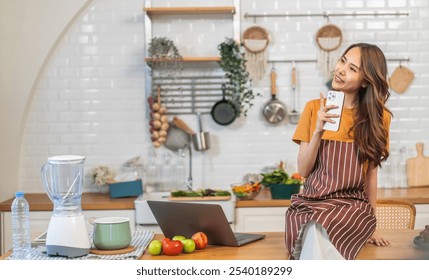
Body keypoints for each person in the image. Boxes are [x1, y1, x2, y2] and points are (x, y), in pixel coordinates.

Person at [285, 43, 392, 260]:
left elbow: (371, 175)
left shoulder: (378, 119)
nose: (341, 70)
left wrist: (371, 224)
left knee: (317, 232)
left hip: (351, 207)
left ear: (366, 81)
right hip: (310, 203)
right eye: (342, 61)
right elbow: (304, 170)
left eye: (353, 68)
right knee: (313, 226)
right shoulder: (314, 108)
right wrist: (318, 130)